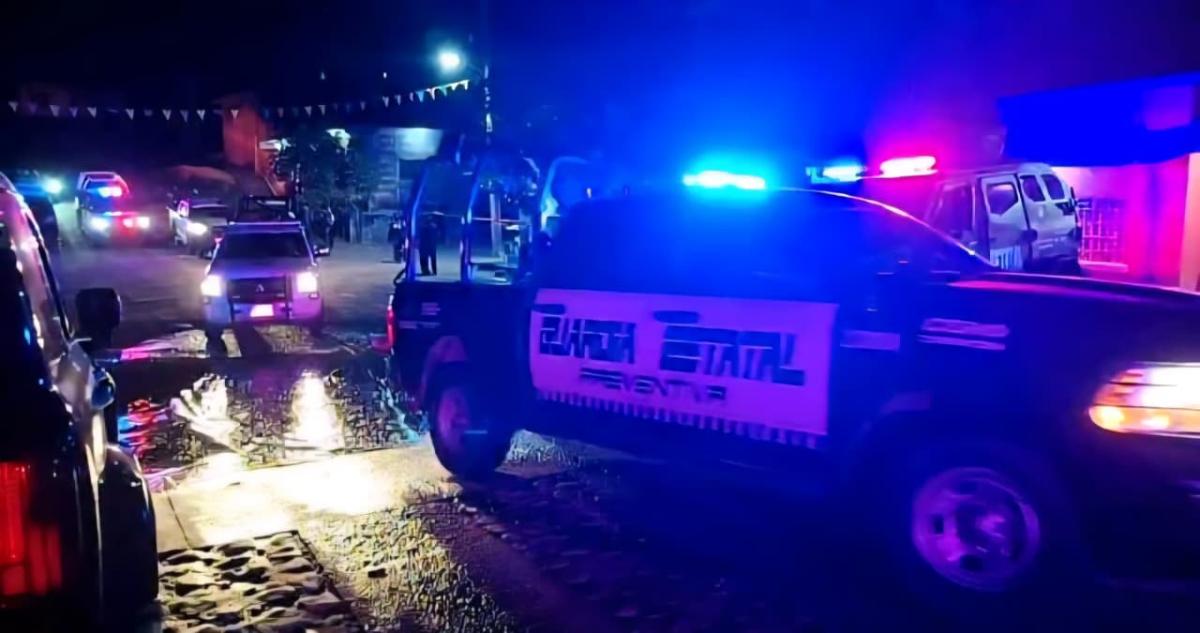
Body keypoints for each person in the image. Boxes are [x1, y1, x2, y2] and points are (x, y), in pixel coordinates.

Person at [418, 210, 441, 276]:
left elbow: (421, 235)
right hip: (430, 244)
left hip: (425, 245)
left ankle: (426, 270)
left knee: (424, 258)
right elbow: (437, 235)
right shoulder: (434, 226)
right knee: (432, 257)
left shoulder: (423, 227)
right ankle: (433, 271)